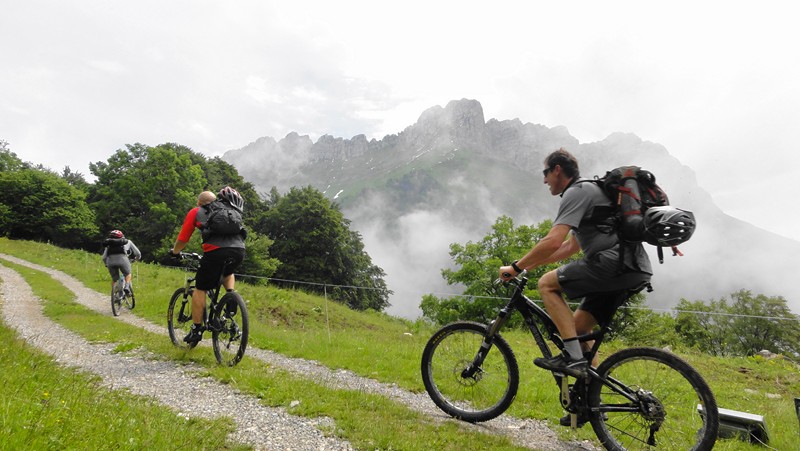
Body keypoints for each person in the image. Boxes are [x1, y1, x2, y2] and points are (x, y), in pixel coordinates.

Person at [499, 148, 652, 380]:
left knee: (547, 285)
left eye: (546, 173)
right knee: (579, 330)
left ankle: (573, 359)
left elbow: (552, 241)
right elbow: (569, 247)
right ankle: (592, 398)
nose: (544, 180)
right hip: (634, 267)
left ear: (557, 170)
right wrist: (529, 264)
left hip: (613, 264)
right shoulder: (591, 190)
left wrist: (516, 267)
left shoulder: (576, 192)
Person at [170, 187, 246, 344]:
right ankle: (230, 295)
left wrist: (175, 252)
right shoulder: (232, 210)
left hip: (215, 252)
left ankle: (196, 329)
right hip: (239, 250)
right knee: (228, 270)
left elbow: (183, 238)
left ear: (199, 202)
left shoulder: (197, 211)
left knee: (200, 288)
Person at [102, 229, 142, 296]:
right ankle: (126, 287)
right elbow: (138, 253)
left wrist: (106, 264)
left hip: (110, 261)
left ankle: (114, 295)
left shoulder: (109, 244)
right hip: (123, 260)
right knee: (128, 273)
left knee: (115, 279)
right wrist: (136, 259)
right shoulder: (127, 242)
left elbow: (104, 257)